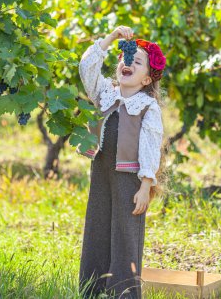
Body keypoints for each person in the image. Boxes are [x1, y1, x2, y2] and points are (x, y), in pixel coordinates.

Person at [77, 25, 167, 298]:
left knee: (125, 235)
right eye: (125, 59)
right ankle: (92, 290)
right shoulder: (105, 93)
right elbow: (87, 67)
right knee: (97, 228)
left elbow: (151, 146)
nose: (127, 62)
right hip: (101, 173)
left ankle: (123, 293)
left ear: (147, 79)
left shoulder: (147, 107)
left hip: (130, 180)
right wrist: (111, 39)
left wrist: (145, 185)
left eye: (137, 62)